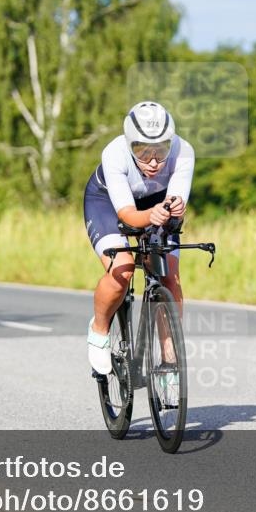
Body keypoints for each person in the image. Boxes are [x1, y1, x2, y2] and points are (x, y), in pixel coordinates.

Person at [82, 101, 194, 374]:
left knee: (170, 275)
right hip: (108, 203)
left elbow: (175, 205)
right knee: (123, 268)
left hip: (157, 205)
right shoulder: (114, 153)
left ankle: (170, 360)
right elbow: (128, 215)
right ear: (129, 144)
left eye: (162, 150)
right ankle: (99, 329)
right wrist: (152, 216)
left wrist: (175, 209)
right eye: (142, 152)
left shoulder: (184, 151)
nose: (154, 161)